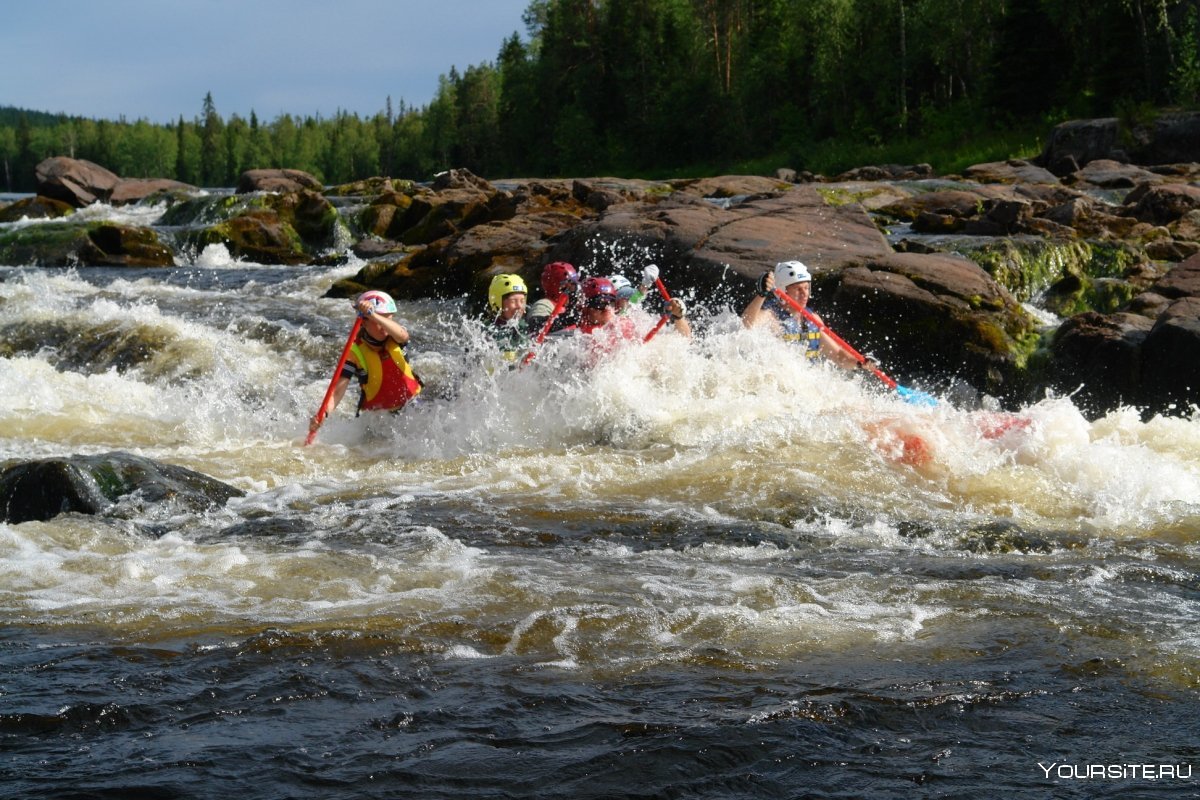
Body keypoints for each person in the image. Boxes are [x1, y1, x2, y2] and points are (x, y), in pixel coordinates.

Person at [308, 290, 422, 435]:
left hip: (412, 406)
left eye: (388, 319)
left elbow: (403, 335)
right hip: (377, 418)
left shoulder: (395, 335)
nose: (385, 325)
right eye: (379, 320)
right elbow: (337, 391)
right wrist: (322, 415)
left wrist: (373, 315)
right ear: (364, 323)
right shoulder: (354, 351)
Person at [741, 260, 868, 370]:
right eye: (798, 289)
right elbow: (747, 324)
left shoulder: (812, 319)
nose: (804, 294)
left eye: (806, 288)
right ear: (782, 291)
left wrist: (860, 363)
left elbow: (838, 355)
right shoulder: (772, 316)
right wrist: (761, 294)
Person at [580, 276, 690, 339]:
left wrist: (678, 317)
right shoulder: (578, 336)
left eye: (628, 299)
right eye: (601, 304)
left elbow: (685, 340)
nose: (608, 309)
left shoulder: (635, 324)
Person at [526, 261, 581, 335]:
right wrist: (572, 318)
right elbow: (536, 327)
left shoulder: (571, 306)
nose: (573, 290)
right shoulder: (543, 305)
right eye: (568, 286)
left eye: (574, 285)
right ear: (556, 287)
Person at [485, 273, 531, 362]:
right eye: (513, 301)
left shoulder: (525, 327)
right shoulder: (486, 330)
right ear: (498, 303)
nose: (519, 306)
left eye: (522, 301)